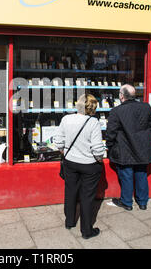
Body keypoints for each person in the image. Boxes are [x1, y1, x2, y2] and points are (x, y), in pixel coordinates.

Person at [54, 94, 105, 239]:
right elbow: (97, 149)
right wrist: (99, 160)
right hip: (89, 164)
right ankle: (86, 231)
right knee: (87, 197)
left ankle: (69, 222)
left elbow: (58, 142)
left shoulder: (66, 119)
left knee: (70, 192)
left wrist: (67, 153)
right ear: (93, 107)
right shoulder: (93, 122)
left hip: (70, 163)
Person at [106, 84, 151, 211]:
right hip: (142, 148)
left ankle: (127, 202)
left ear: (122, 96)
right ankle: (142, 202)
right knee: (141, 173)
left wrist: (109, 146)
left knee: (126, 175)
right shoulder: (146, 107)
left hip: (124, 149)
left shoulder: (116, 111)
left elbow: (110, 133)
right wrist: (144, 138)